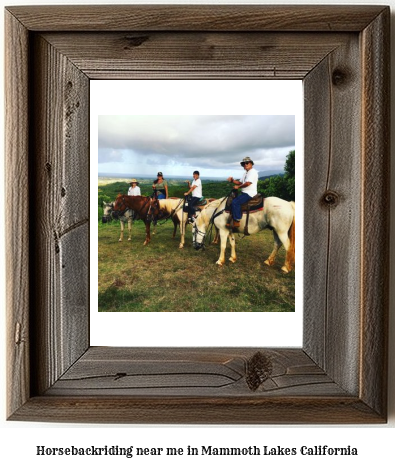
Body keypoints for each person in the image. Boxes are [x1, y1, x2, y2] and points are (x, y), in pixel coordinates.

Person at [227, 156, 258, 228]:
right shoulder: (246, 173)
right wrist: (232, 181)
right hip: (245, 192)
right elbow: (240, 182)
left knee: (235, 202)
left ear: (251, 164)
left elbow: (248, 183)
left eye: (247, 163)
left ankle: (237, 220)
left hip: (249, 193)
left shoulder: (252, 172)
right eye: (244, 164)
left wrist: (238, 187)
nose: (245, 165)